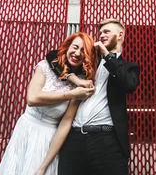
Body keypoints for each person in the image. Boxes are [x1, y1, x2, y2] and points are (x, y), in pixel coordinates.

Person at [44, 19, 140, 175]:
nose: (101, 35)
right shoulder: (88, 59)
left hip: (107, 141)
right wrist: (74, 78)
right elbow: (54, 55)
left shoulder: (129, 68)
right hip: (74, 139)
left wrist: (108, 56)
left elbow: (129, 84)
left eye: (106, 32)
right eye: (100, 32)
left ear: (120, 34)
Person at [0, 32, 97, 175]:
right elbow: (32, 99)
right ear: (67, 47)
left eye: (83, 51)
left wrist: (44, 166)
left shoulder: (81, 83)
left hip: (48, 138)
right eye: (75, 47)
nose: (77, 53)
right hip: (25, 129)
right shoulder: (46, 66)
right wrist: (71, 94)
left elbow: (65, 123)